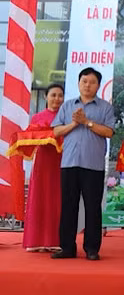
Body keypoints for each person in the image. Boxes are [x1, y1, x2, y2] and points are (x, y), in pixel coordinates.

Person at [51, 68, 115, 261]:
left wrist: (86, 122)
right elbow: (56, 131)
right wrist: (74, 123)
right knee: (68, 206)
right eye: (84, 81)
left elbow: (109, 132)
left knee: (92, 207)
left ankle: (92, 248)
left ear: (98, 85)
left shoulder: (105, 107)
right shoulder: (68, 105)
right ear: (78, 83)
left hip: (93, 165)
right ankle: (67, 248)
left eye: (92, 82)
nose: (88, 85)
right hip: (69, 163)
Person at [22, 83, 64, 252]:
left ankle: (55, 240)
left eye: (60, 95)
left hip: (60, 162)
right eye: (53, 95)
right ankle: (36, 240)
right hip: (42, 162)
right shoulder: (37, 117)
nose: (56, 99)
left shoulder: (66, 118)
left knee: (57, 199)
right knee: (39, 197)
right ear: (46, 97)